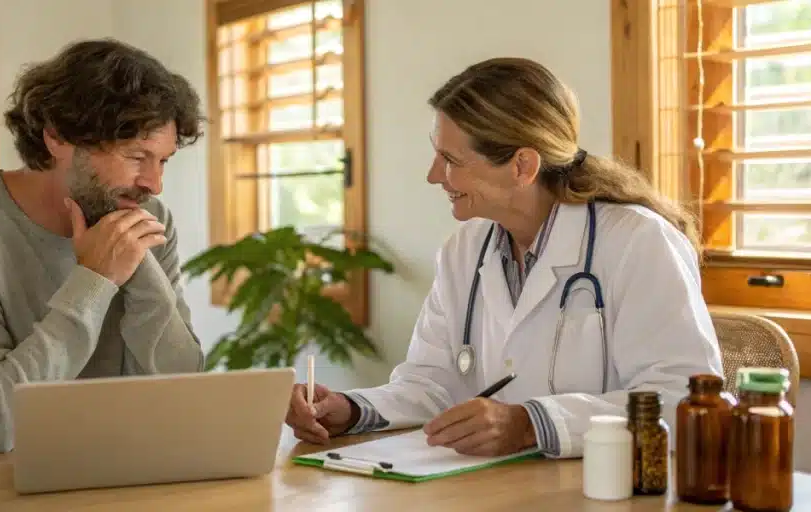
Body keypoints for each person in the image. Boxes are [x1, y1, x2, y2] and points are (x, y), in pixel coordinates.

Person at [285, 57, 724, 459]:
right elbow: (430, 382)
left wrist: (532, 424)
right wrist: (351, 409)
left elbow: (682, 399)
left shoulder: (637, 242)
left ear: (523, 166)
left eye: (450, 159)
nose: (433, 175)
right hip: (494, 490)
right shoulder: (465, 249)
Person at [0, 39, 206, 457]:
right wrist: (96, 280)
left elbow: (184, 391)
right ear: (57, 137)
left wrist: (139, 267)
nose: (153, 184)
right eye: (136, 156)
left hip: (123, 477)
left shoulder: (150, 217)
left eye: (163, 160)